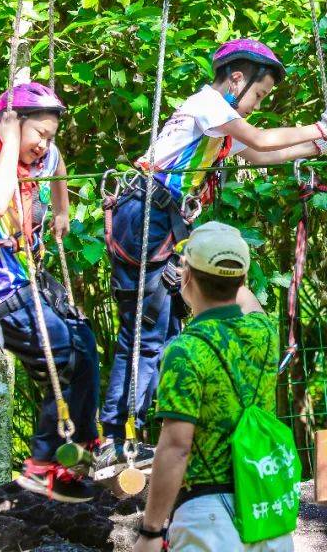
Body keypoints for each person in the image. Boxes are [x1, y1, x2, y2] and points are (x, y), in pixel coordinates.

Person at [98, 39, 327, 476]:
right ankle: (120, 439)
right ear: (237, 78)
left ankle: (125, 436)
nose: (258, 102)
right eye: (259, 93)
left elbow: (259, 152)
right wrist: (319, 128)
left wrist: (316, 149)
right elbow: (259, 137)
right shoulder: (207, 104)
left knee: (157, 330)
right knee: (148, 334)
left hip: (156, 220)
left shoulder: (216, 127)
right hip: (148, 218)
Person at [0, 82, 100, 501]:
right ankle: (42, 465)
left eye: (50, 137)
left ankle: (82, 450)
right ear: (12, 124)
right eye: (39, 135)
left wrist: (62, 210)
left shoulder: (43, 153)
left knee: (85, 342)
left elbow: (60, 163)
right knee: (61, 352)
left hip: (27, 276)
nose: (45, 147)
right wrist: (13, 138)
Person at [133, 221, 291, 552]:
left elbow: (177, 447)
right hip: (265, 509)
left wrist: (150, 532)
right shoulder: (264, 333)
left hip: (208, 519)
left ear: (185, 275)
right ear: (243, 278)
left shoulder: (186, 350)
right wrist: (229, 250)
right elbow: (244, 299)